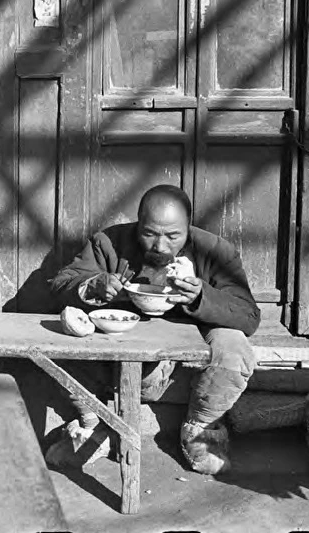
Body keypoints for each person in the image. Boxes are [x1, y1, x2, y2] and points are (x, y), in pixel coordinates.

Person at [46, 184, 260, 474]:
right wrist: (93, 286)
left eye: (173, 236)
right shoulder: (109, 243)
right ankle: (93, 426)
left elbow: (248, 315)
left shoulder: (215, 251)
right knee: (62, 331)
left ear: (189, 227)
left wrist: (202, 297)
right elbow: (61, 285)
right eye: (149, 234)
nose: (160, 246)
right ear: (138, 223)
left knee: (233, 345)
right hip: (116, 359)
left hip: (184, 369)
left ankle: (200, 430)